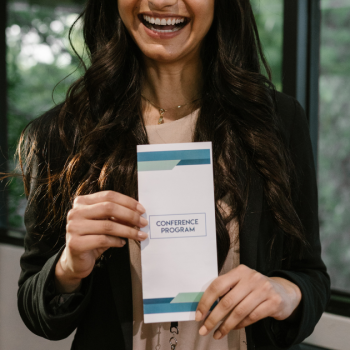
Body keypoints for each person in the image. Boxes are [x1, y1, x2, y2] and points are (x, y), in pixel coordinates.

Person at [9, 0, 330, 349]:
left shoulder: (276, 123)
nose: (161, 1)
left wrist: (285, 292)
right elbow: (35, 306)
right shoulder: (60, 135)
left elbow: (310, 274)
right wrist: (69, 267)